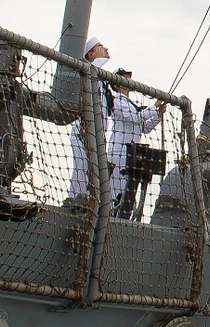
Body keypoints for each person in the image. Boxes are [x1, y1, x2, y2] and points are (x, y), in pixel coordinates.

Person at [68, 36, 165, 215]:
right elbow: (134, 118)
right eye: (100, 47)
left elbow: (144, 126)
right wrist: (155, 107)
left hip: (113, 144)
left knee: (121, 189)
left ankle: (109, 212)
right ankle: (74, 202)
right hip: (110, 147)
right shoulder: (115, 96)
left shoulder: (108, 87)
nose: (105, 48)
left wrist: (158, 114)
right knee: (83, 170)